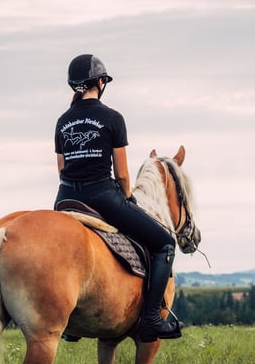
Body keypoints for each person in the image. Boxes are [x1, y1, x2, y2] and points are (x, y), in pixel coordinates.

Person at [54, 53, 182, 343]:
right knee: (165, 242)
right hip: (102, 197)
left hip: (65, 199)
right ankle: (150, 319)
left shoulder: (62, 122)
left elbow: (62, 169)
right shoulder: (112, 118)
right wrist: (127, 199)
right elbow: (123, 175)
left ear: (74, 85)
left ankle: (69, 324)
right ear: (100, 82)